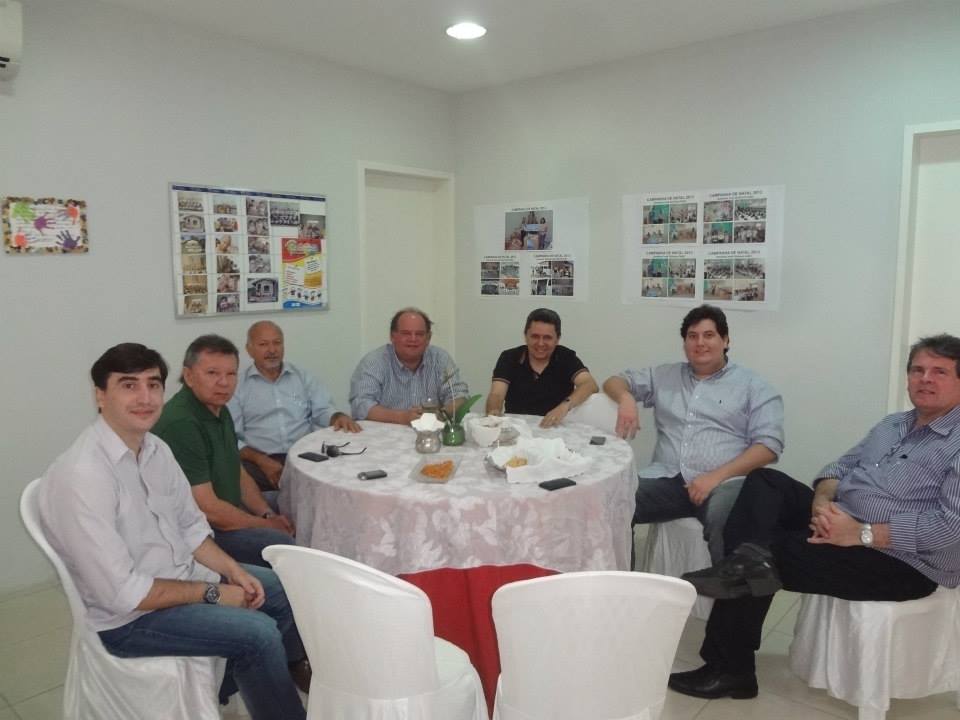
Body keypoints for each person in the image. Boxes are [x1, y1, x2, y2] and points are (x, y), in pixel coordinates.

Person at [670, 334, 960, 700]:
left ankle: (730, 667)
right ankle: (743, 570)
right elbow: (837, 468)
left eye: (939, 372)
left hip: (901, 561)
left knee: (763, 552)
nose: (925, 379)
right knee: (765, 482)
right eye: (917, 370)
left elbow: (950, 529)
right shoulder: (893, 425)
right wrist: (822, 501)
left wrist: (860, 533)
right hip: (840, 521)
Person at [36, 344, 308, 719]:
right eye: (128, 385)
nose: (145, 398)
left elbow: (191, 528)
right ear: (100, 395)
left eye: (153, 384)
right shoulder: (83, 476)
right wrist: (214, 592)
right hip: (131, 620)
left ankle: (232, 685)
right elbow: (124, 593)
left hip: (179, 577)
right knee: (258, 635)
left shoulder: (155, 450)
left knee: (281, 589)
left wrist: (233, 571)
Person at [603, 304, 784, 564]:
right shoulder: (665, 376)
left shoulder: (753, 386)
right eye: (692, 336)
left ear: (725, 340)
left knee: (729, 522)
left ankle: (725, 586)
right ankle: (620, 583)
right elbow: (614, 381)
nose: (700, 343)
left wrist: (714, 478)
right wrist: (626, 398)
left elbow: (769, 445)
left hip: (725, 483)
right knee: (614, 502)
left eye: (709, 335)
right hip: (669, 479)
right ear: (685, 343)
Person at [153, 335, 295, 567]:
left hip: (229, 509)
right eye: (212, 373)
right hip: (205, 534)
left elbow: (237, 473)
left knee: (295, 503)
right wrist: (268, 525)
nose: (224, 383)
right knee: (283, 543)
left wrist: (267, 514)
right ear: (189, 376)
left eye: (231, 374)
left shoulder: (219, 408)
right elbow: (209, 510)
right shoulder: (182, 423)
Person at [227, 320, 361, 492]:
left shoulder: (301, 377)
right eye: (263, 344)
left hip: (304, 454)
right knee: (239, 476)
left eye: (277, 343)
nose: (272, 350)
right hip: (259, 460)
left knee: (343, 474)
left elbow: (322, 409)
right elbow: (231, 438)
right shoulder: (237, 386)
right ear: (249, 349)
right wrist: (261, 460)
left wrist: (337, 416)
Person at [349, 307, 468, 425]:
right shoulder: (374, 362)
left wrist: (441, 414)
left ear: (428, 338)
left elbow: (460, 397)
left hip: (431, 432)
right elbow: (361, 405)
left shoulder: (440, 359)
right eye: (406, 333)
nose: (413, 339)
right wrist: (402, 417)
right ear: (392, 336)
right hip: (387, 434)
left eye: (419, 334)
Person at [485, 308, 598, 428]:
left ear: (557, 339)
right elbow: (496, 394)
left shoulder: (566, 357)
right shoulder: (509, 357)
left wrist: (565, 406)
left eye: (547, 338)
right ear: (526, 336)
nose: (540, 343)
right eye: (535, 336)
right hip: (517, 427)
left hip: (556, 427)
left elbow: (589, 384)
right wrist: (494, 412)